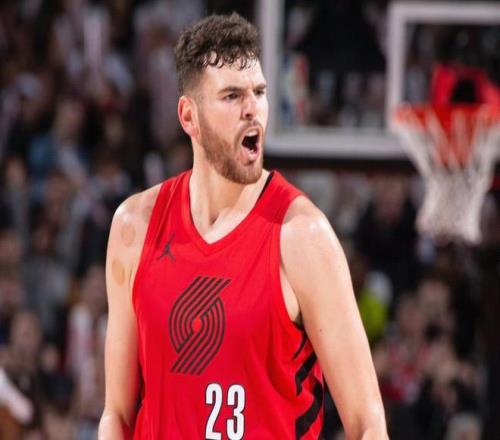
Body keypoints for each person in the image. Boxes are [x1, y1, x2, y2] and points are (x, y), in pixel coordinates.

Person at [98, 13, 387, 439]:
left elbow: (367, 424)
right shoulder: (134, 227)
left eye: (259, 92)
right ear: (189, 117)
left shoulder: (301, 236)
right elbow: (117, 414)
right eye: (232, 96)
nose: (252, 109)